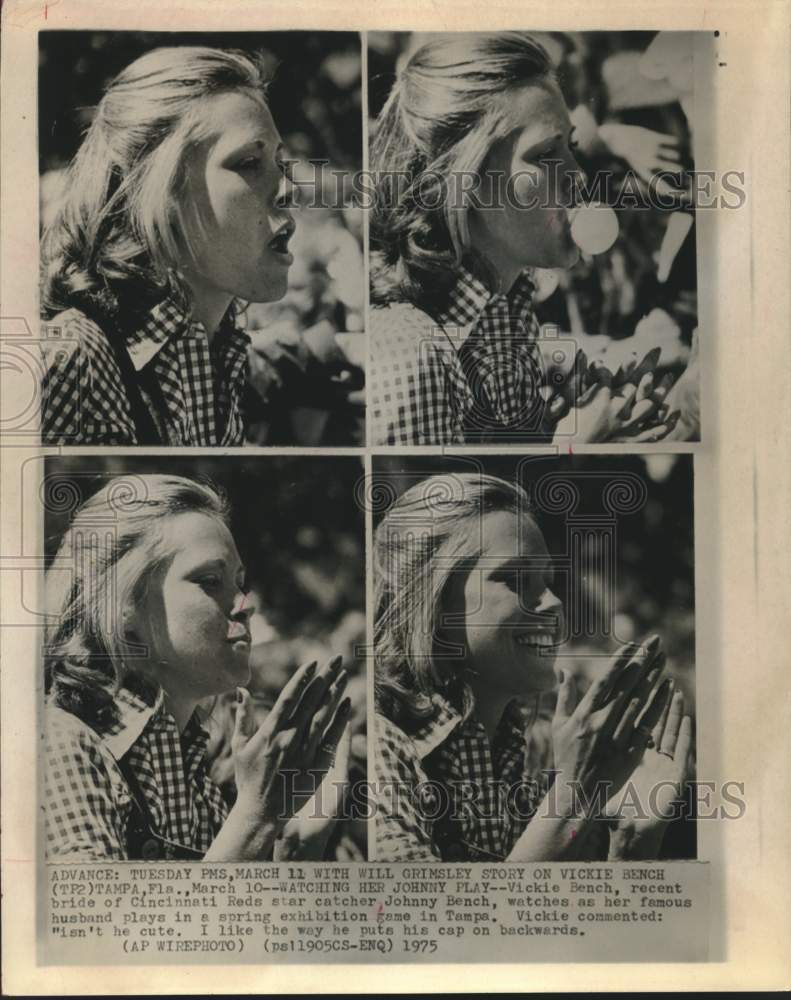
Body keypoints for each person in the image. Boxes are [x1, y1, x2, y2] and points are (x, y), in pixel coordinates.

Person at [368, 32, 678, 445]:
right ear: (463, 180)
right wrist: (573, 451)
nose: (579, 175)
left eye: (570, 146)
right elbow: (429, 509)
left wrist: (568, 413)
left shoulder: (507, 312)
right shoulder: (413, 353)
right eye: (545, 156)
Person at [373, 473, 692, 862]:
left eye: (548, 581)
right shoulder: (380, 749)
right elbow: (438, 923)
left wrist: (632, 842)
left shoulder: (538, 757)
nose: (554, 601)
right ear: (433, 605)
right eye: (516, 579)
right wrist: (573, 795)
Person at [44, 474, 350, 861]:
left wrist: (300, 847)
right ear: (124, 611)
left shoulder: (198, 777)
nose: (245, 603)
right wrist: (257, 814)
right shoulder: (60, 743)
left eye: (240, 582)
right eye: (210, 581)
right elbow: (105, 923)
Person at [40, 46, 297, 445]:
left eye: (281, 164)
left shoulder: (219, 352)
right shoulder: (73, 361)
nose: (289, 190)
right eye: (248, 163)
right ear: (158, 192)